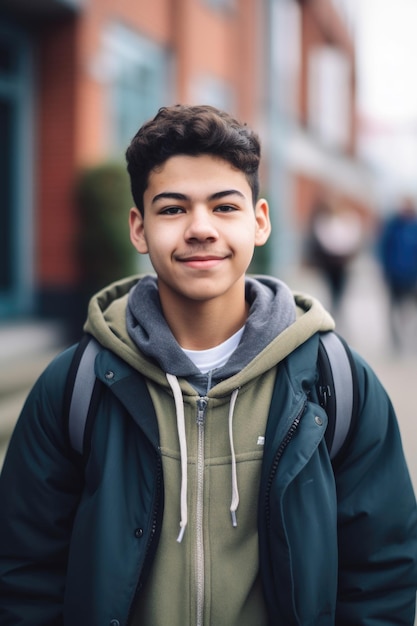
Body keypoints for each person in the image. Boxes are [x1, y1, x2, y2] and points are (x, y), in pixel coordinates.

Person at [0, 104, 416, 625]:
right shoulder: (76, 387)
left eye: (224, 207)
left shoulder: (338, 383)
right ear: (139, 228)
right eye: (173, 209)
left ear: (259, 222)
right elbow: (24, 574)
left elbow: (381, 575)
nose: (200, 228)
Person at [306, 191, 363, 312]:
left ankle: (337, 305)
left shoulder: (346, 219)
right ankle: (335, 305)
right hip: (329, 261)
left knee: (340, 286)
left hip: (341, 261)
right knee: (331, 286)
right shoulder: (323, 219)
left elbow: (351, 239)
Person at [378, 195, 417, 351]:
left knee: (410, 308)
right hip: (394, 274)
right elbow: (383, 248)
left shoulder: (414, 226)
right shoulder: (392, 225)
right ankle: (395, 340)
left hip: (412, 276)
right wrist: (384, 269)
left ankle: (411, 337)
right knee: (393, 309)